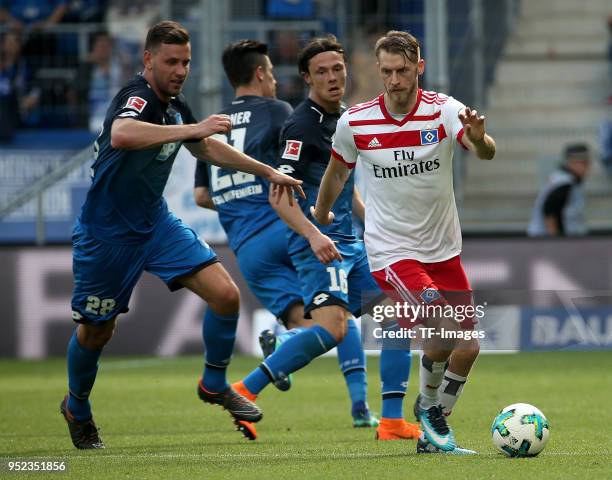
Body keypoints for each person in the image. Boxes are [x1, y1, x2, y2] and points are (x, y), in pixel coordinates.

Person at [61, 21, 303, 450]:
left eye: (186, 62)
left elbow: (206, 147)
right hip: (107, 235)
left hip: (155, 224)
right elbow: (122, 133)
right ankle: (76, 406)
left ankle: (213, 383)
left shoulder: (175, 104)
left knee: (226, 296)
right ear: (148, 59)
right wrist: (192, 129)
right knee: (97, 333)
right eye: (171, 61)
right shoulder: (136, 97)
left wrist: (266, 169)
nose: (180, 70)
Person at [312, 30, 497, 454]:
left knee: (467, 347)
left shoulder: (445, 112)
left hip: (443, 249)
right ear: (378, 70)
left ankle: (432, 433)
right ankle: (429, 409)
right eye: (387, 71)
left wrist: (482, 137)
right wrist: (321, 215)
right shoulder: (355, 121)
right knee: (444, 328)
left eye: (402, 70)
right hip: (391, 251)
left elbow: (484, 152)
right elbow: (337, 174)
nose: (394, 80)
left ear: (419, 67)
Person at [232, 35, 421, 442]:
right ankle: (244, 390)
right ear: (307, 78)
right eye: (322, 72)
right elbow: (279, 196)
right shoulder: (302, 124)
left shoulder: (347, 118)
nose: (333, 77)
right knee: (335, 330)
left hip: (350, 243)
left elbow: (343, 185)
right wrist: (314, 235)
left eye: (338, 68)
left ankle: (390, 421)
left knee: (398, 309)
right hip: (319, 246)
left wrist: (374, 227)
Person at [193, 39, 383, 436]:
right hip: (289, 227)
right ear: (261, 73)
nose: (276, 83)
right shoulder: (283, 113)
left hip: (246, 247)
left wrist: (237, 203)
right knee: (338, 316)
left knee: (317, 324)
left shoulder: (212, 128)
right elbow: (300, 170)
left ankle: (281, 348)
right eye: (272, 75)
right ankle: (361, 406)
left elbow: (202, 196)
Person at [527, 143, 591, 237]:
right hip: (544, 239)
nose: (587, 168)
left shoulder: (564, 179)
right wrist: (556, 240)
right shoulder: (564, 183)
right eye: (583, 163)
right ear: (571, 163)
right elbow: (549, 209)